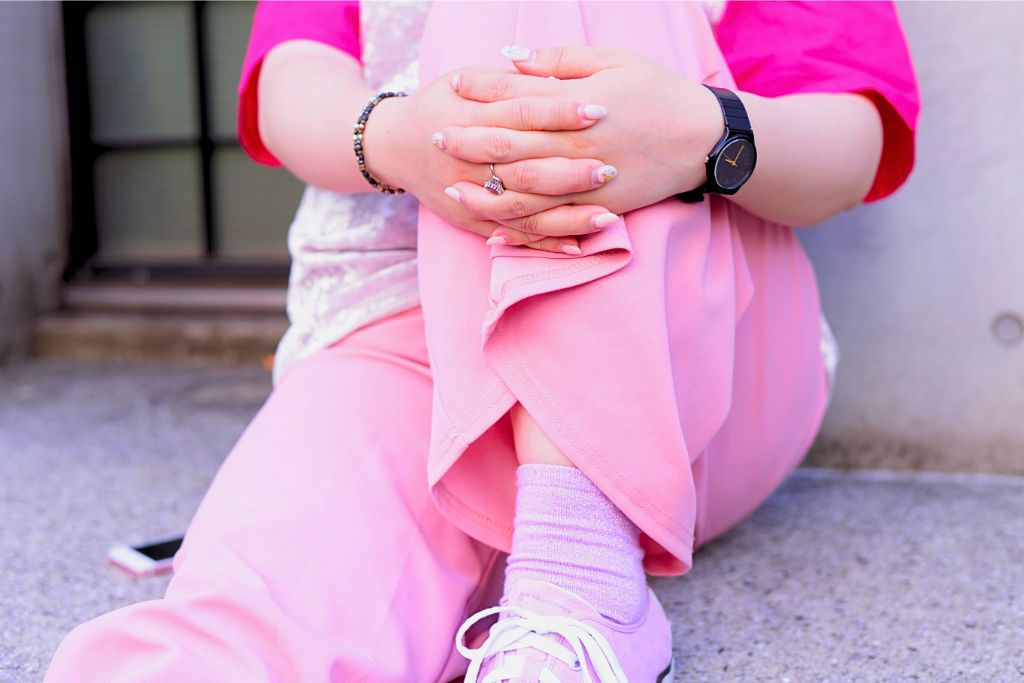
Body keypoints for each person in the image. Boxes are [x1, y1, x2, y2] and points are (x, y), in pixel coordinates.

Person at [44, 2, 918, 681]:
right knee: (243, 622)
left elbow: (849, 143)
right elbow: (292, 90)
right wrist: (406, 141)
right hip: (404, 341)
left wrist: (702, 133)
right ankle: (539, 553)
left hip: (690, 362)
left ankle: (574, 565)